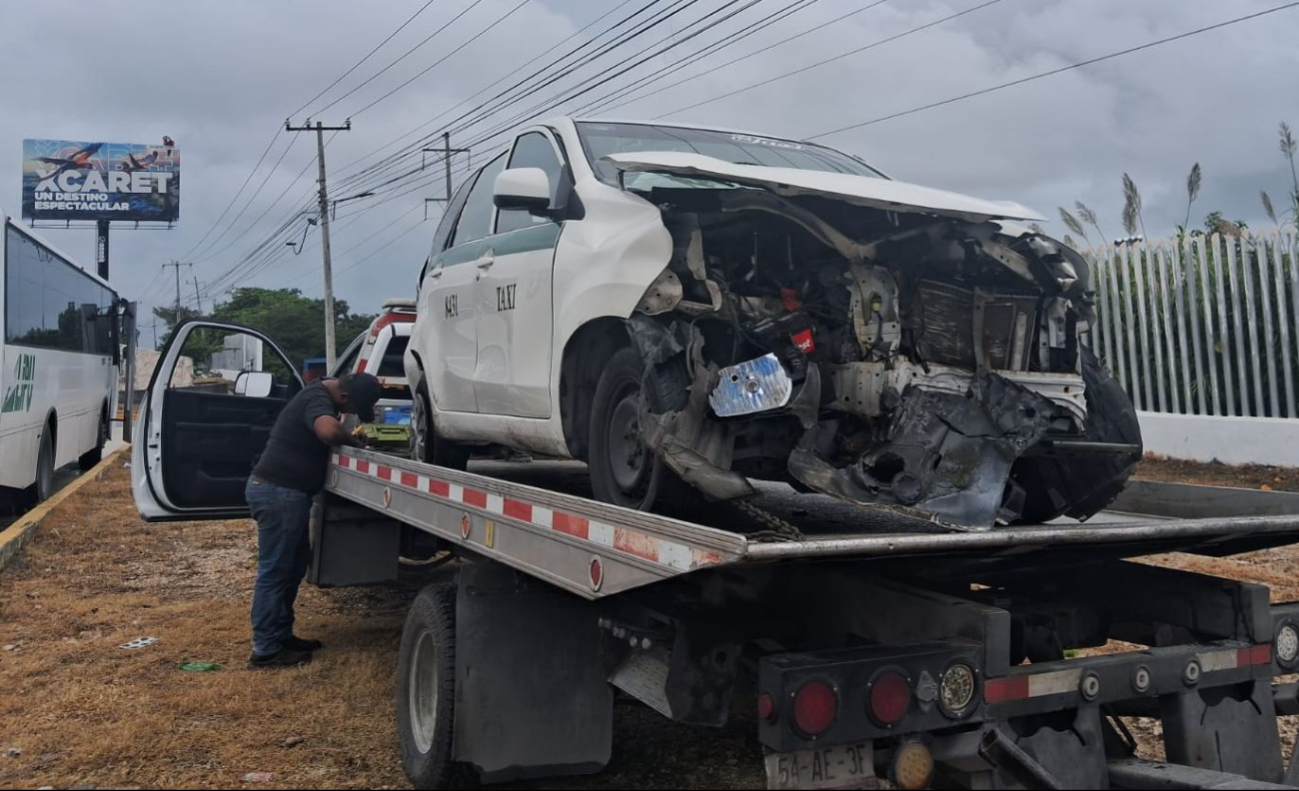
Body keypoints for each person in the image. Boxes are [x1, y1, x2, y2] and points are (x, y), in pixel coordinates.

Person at [245, 372, 383, 669]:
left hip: (284, 494)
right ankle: (266, 650)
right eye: (350, 409)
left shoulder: (320, 396)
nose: (348, 414)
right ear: (344, 397)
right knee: (275, 572)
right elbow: (328, 433)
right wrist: (354, 442)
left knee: (292, 568)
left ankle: (281, 635)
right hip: (278, 493)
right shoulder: (316, 397)